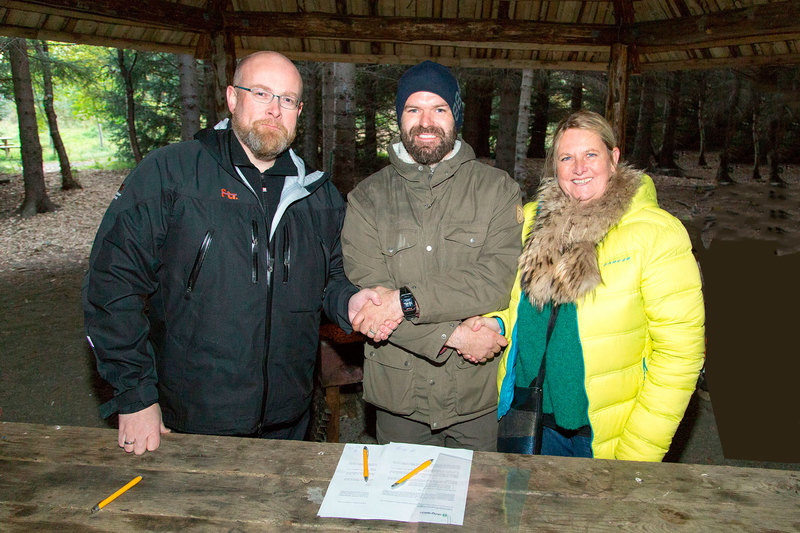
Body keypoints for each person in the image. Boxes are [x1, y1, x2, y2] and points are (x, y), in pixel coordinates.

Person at [83, 51, 394, 455]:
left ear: (298, 111)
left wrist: (351, 300)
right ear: (232, 98)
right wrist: (135, 395)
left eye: (287, 99)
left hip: (289, 418)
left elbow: (331, 280)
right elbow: (112, 286)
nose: (274, 109)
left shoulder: (319, 196)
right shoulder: (171, 175)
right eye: (261, 92)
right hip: (192, 419)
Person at [485, 110, 705, 461]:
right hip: (531, 415)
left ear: (613, 159)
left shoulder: (655, 234)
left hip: (603, 436)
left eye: (591, 155)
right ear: (554, 167)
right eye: (566, 157)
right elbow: (519, 309)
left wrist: (636, 452)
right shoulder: (532, 223)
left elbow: (679, 356)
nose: (579, 168)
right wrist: (494, 323)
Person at [341, 60, 523, 451]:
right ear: (399, 118)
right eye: (413, 109)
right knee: (401, 509)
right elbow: (371, 306)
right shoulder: (366, 199)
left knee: (479, 507)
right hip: (398, 399)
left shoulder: (497, 190)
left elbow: (495, 280)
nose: (426, 122)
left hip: (474, 396)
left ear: (455, 117)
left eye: (438, 109)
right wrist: (453, 335)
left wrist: (406, 300)